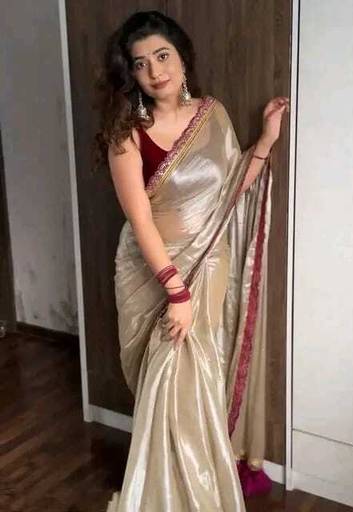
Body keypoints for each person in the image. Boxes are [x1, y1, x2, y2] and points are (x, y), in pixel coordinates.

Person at [94, 9, 289, 512]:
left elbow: (229, 193)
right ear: (130, 73)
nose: (155, 70)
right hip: (156, 275)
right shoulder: (126, 133)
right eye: (141, 63)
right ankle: (167, 496)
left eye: (163, 56)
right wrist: (175, 289)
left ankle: (197, 489)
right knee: (169, 383)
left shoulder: (212, 115)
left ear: (182, 58)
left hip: (210, 267)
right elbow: (140, 221)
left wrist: (266, 141)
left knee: (198, 380)